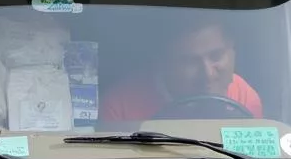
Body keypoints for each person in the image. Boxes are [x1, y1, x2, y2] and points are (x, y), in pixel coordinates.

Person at [102, 16, 262, 122]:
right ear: (165, 63)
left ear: (232, 51)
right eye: (190, 62)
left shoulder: (244, 98)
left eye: (216, 56)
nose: (208, 74)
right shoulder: (121, 108)